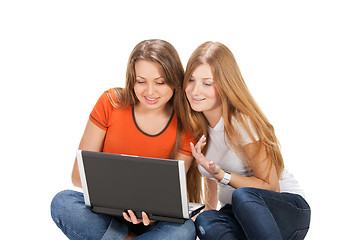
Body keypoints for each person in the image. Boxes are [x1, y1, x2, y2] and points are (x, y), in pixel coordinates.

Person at [50, 39, 202, 240]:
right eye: (141, 81)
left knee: (184, 231)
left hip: (151, 222)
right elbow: (78, 176)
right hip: (106, 215)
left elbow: (170, 196)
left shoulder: (186, 124)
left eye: (160, 82)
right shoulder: (111, 103)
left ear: (174, 81)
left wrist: (152, 216)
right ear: (132, 80)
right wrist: (119, 200)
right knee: (63, 202)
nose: (150, 92)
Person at [180, 41, 311, 240]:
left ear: (225, 85)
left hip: (285, 211)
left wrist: (222, 175)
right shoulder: (198, 126)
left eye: (207, 83)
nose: (195, 91)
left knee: (243, 195)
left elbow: (270, 186)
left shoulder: (241, 122)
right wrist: (206, 212)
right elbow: (211, 183)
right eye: (191, 80)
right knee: (206, 221)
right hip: (240, 216)